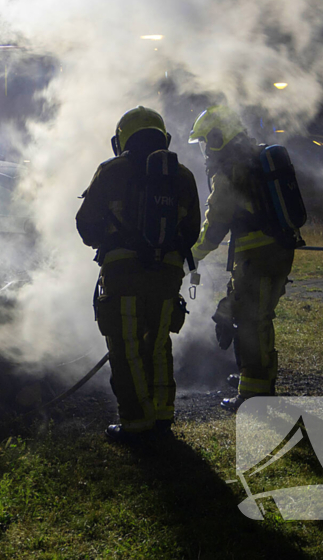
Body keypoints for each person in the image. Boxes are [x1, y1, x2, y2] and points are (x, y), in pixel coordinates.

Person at [76, 107, 201, 442]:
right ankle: (161, 416)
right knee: (158, 343)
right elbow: (191, 231)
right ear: (163, 137)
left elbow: (85, 224)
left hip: (123, 273)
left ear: (122, 139)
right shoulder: (184, 176)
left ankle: (135, 423)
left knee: (126, 346)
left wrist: (110, 241)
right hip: (167, 276)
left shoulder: (111, 170)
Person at [187, 105, 302, 411]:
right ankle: (256, 380)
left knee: (251, 322)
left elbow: (216, 225)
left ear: (218, 138)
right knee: (255, 317)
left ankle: (254, 396)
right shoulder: (252, 160)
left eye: (206, 142)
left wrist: (192, 256)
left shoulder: (230, 171)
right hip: (272, 252)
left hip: (259, 257)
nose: (205, 151)